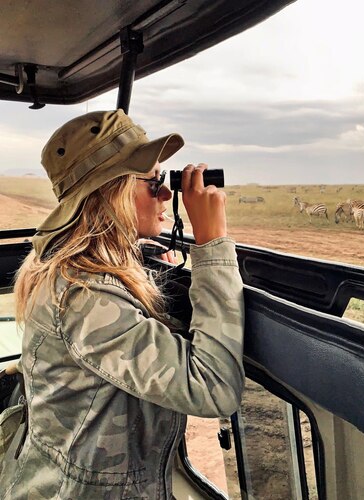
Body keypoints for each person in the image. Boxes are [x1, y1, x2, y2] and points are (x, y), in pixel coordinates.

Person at [0, 109, 245, 499]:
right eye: (153, 182)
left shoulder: (77, 268)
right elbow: (213, 389)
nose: (167, 195)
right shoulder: (84, 293)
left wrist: (144, 265)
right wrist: (211, 244)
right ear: (109, 194)